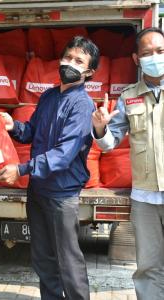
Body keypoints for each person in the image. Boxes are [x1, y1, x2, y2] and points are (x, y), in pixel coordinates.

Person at [0, 36, 100, 300]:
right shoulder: (49, 96)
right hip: (39, 190)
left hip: (62, 195)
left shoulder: (83, 105)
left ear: (89, 72)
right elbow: (32, 131)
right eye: (67, 57)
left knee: (68, 260)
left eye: (78, 61)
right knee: (42, 257)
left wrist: (20, 169)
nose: (70, 63)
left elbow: (63, 155)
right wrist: (13, 126)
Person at [92, 27, 164, 300]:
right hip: (145, 199)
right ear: (136, 59)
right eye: (147, 53)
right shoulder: (128, 97)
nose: (154, 57)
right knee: (148, 267)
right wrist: (100, 128)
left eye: (160, 51)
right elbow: (110, 143)